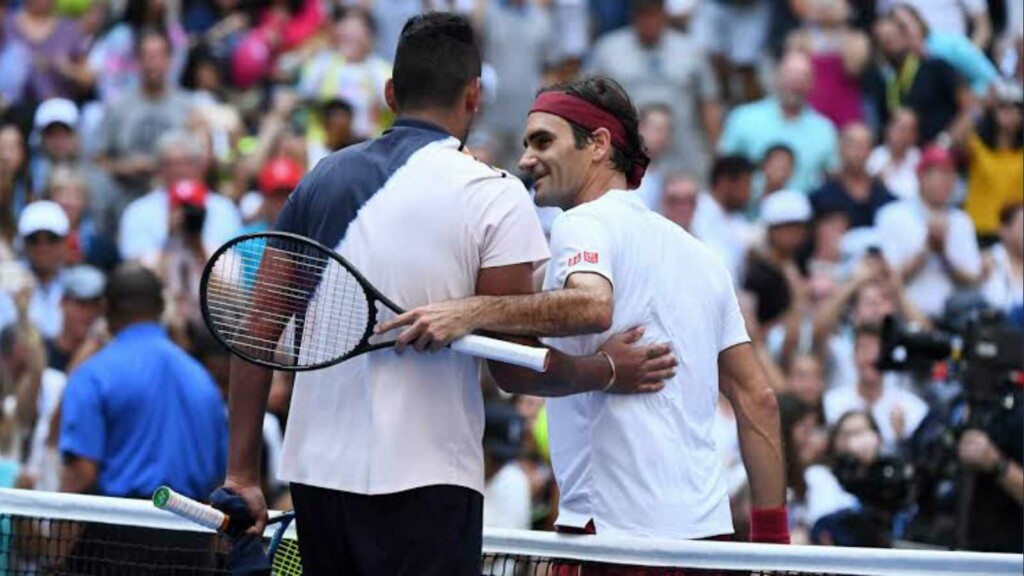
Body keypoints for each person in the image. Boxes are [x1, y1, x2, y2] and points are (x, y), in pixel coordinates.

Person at [220, 15, 672, 576]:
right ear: (474, 96)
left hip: (316, 480)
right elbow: (515, 368)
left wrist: (240, 474)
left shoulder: (320, 179)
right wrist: (605, 370)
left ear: (390, 93)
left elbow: (256, 331)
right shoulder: (494, 194)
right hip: (431, 486)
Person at [378, 75, 790, 545]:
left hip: (614, 541)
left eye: (542, 141)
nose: (525, 159)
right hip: (708, 543)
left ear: (597, 144)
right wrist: (774, 545)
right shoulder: (703, 256)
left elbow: (593, 306)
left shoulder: (582, 223)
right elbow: (760, 401)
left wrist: (468, 311)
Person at [59, 263, 226, 498]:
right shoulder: (202, 378)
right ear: (160, 308)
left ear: (105, 309)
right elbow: (221, 477)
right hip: (191, 528)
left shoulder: (92, 375)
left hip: (115, 529)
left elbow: (81, 475)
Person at [588, 0, 721, 179]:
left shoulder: (691, 50)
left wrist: (716, 151)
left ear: (664, 15)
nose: (649, 21)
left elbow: (709, 104)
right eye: (643, 14)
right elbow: (588, 102)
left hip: (682, 153)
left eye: (654, 14)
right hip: (626, 153)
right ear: (633, 16)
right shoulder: (608, 50)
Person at [875, 146, 983, 319]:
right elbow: (887, 278)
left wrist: (944, 256)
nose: (947, 180)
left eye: (951, 173)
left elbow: (972, 281)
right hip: (903, 314)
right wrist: (926, 251)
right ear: (921, 176)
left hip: (952, 317)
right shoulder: (892, 215)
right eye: (940, 173)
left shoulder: (961, 220)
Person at [719, 50, 838, 194]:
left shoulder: (824, 129)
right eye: (791, 76)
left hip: (802, 212)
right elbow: (724, 170)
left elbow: (833, 179)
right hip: (749, 212)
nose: (795, 84)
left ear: (812, 84)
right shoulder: (743, 118)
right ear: (777, 77)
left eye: (802, 77)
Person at [822, 323, 928, 449]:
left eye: (879, 350)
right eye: (865, 349)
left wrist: (901, 438)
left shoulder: (913, 408)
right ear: (853, 356)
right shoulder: (829, 403)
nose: (871, 358)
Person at [809, 122, 896, 229]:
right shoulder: (821, 197)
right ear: (840, 148)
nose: (858, 152)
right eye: (852, 145)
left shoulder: (884, 196)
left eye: (864, 145)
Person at [43, 265, 104, 373]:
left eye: (95, 305)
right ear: (62, 302)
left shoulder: (105, 353)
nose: (89, 312)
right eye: (82, 304)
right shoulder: (44, 352)